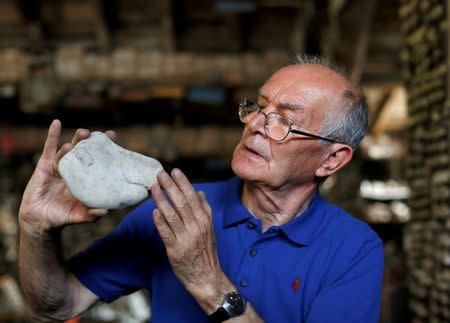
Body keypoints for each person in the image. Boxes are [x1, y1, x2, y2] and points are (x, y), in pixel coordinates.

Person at [18, 54, 383, 323]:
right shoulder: (175, 208)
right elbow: (55, 305)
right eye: (259, 106)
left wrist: (207, 280)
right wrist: (35, 230)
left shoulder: (353, 250)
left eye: (284, 121)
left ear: (331, 160)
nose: (255, 123)